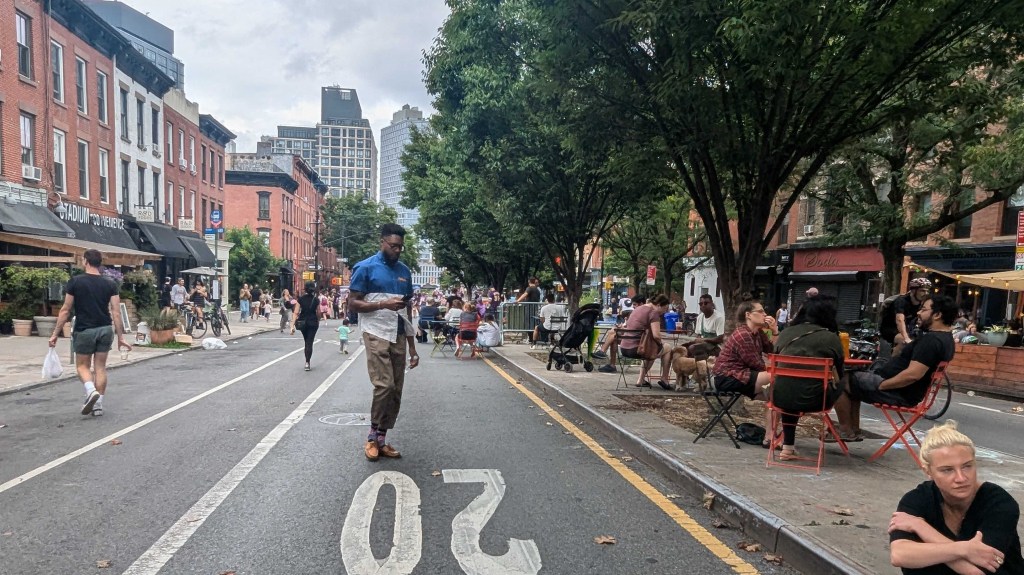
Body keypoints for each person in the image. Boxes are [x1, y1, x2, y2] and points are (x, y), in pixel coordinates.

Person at [889, 420, 1022, 574]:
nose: (961, 478)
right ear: (928, 472)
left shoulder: (1000, 503)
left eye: (967, 466)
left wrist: (921, 527)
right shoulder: (918, 499)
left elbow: (978, 571)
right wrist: (965, 549)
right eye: (947, 470)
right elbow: (900, 555)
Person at [833, 294, 957, 442]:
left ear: (937, 315)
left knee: (840, 380)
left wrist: (883, 385)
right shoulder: (946, 339)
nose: (918, 313)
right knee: (853, 380)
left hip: (898, 392)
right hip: (904, 391)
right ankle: (853, 430)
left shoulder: (931, 341)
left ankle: (845, 429)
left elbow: (913, 375)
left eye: (924, 309)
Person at [349, 223, 419, 461]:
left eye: (401, 247)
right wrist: (382, 304)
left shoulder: (404, 272)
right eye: (393, 246)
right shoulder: (365, 268)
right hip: (375, 331)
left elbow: (406, 310)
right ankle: (371, 437)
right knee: (385, 385)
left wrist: (413, 347)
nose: (398, 250)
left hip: (397, 333)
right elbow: (353, 304)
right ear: (382, 242)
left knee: (396, 390)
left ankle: (382, 438)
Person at [48, 249, 131, 417]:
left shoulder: (75, 282)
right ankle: (98, 405)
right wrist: (121, 337)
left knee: (82, 366)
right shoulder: (110, 283)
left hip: (84, 329)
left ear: (85, 261)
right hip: (105, 329)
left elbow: (65, 310)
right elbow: (116, 312)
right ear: (99, 262)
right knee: (100, 367)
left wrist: (55, 333)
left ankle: (90, 390)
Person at [770, 295, 845, 461]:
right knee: (848, 380)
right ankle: (846, 428)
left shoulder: (786, 333)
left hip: (778, 397)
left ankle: (788, 448)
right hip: (817, 400)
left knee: (790, 387)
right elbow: (840, 370)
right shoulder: (831, 338)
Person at [712, 297, 779, 442]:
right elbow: (756, 363)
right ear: (748, 315)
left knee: (778, 396)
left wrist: (774, 331)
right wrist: (771, 370)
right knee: (778, 378)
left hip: (744, 376)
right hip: (727, 377)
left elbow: (773, 351)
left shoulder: (757, 332)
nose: (765, 314)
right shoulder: (743, 334)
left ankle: (770, 437)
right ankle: (770, 437)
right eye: (760, 311)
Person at [595, 294, 673, 388]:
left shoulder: (638, 309)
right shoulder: (653, 313)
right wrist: (661, 342)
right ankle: (664, 379)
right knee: (667, 348)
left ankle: (641, 380)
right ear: (659, 305)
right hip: (638, 350)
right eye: (665, 308)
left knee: (652, 349)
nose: (665, 312)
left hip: (625, 348)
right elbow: (656, 335)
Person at [592, 295, 647, 372]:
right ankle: (611, 365)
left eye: (635, 305)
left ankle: (603, 351)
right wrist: (623, 326)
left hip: (637, 340)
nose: (633, 307)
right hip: (632, 337)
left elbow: (635, 328)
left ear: (641, 304)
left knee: (613, 331)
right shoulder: (638, 313)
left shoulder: (641, 314)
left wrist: (622, 328)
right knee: (613, 337)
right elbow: (631, 327)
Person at [880, 277, 933, 357]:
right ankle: (891, 364)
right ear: (913, 290)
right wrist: (906, 337)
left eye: (927, 291)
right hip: (890, 329)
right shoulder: (901, 301)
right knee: (903, 341)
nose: (925, 293)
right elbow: (900, 320)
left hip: (907, 329)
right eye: (922, 290)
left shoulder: (921, 303)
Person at [291, 281, 320, 371]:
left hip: (303, 322)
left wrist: (292, 325)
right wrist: (317, 320)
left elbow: (296, 312)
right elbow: (318, 313)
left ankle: (307, 361)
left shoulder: (301, 299)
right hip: (313, 322)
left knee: (306, 340)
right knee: (309, 342)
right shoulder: (316, 300)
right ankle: (307, 362)